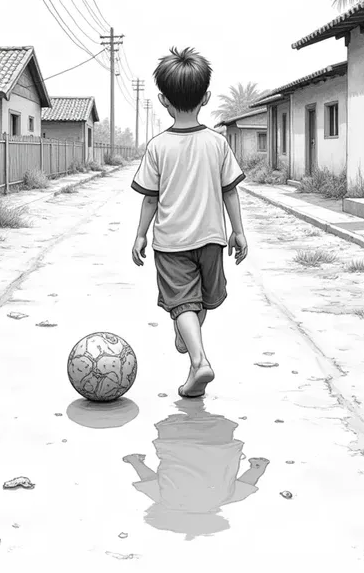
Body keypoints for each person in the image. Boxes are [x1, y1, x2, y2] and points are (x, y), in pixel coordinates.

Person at [131, 46, 248, 397]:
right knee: (199, 303)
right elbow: (231, 192)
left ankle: (199, 362)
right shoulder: (217, 143)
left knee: (182, 302)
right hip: (212, 239)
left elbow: (150, 197)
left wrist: (139, 235)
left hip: (171, 244)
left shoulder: (157, 146)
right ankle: (191, 351)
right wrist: (238, 232)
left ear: (164, 100)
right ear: (207, 97)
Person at [122, 398, 269, 541]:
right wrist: (135, 460)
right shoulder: (165, 500)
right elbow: (148, 479)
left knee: (203, 414)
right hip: (173, 437)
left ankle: (196, 403)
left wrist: (258, 466)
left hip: (219, 437)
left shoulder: (226, 498)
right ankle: (192, 401)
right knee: (183, 410)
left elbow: (250, 478)